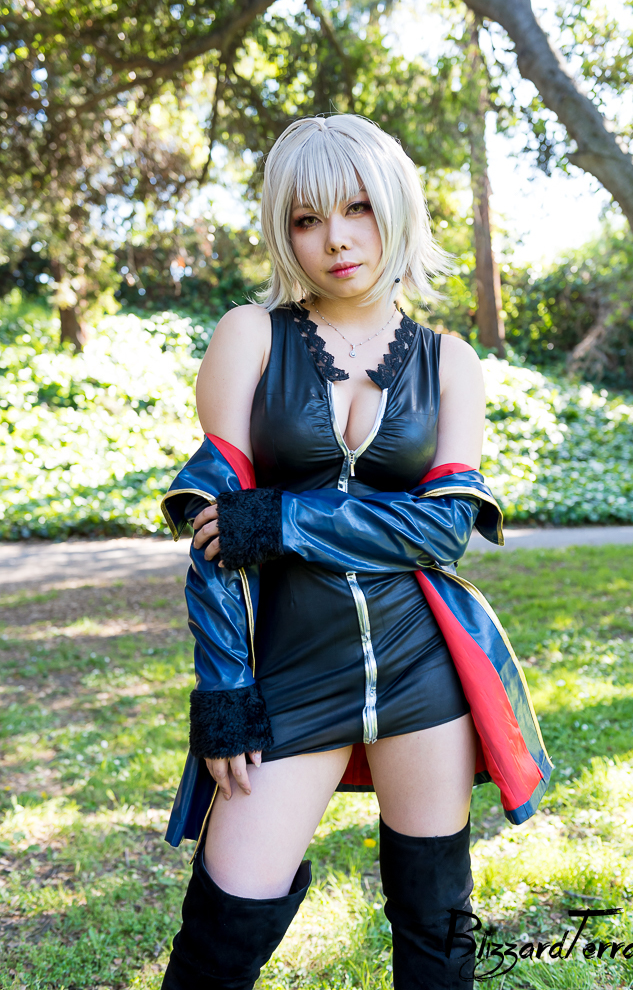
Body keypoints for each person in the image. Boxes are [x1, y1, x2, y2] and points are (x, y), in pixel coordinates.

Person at [159, 114, 552, 990]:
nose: (336, 238)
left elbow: (445, 529)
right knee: (218, 942)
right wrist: (224, 692)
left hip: (423, 671)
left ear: (395, 207)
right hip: (289, 674)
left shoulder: (450, 362)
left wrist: (285, 519)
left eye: (358, 208)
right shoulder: (250, 336)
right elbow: (215, 533)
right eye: (306, 219)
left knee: (436, 932)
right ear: (284, 230)